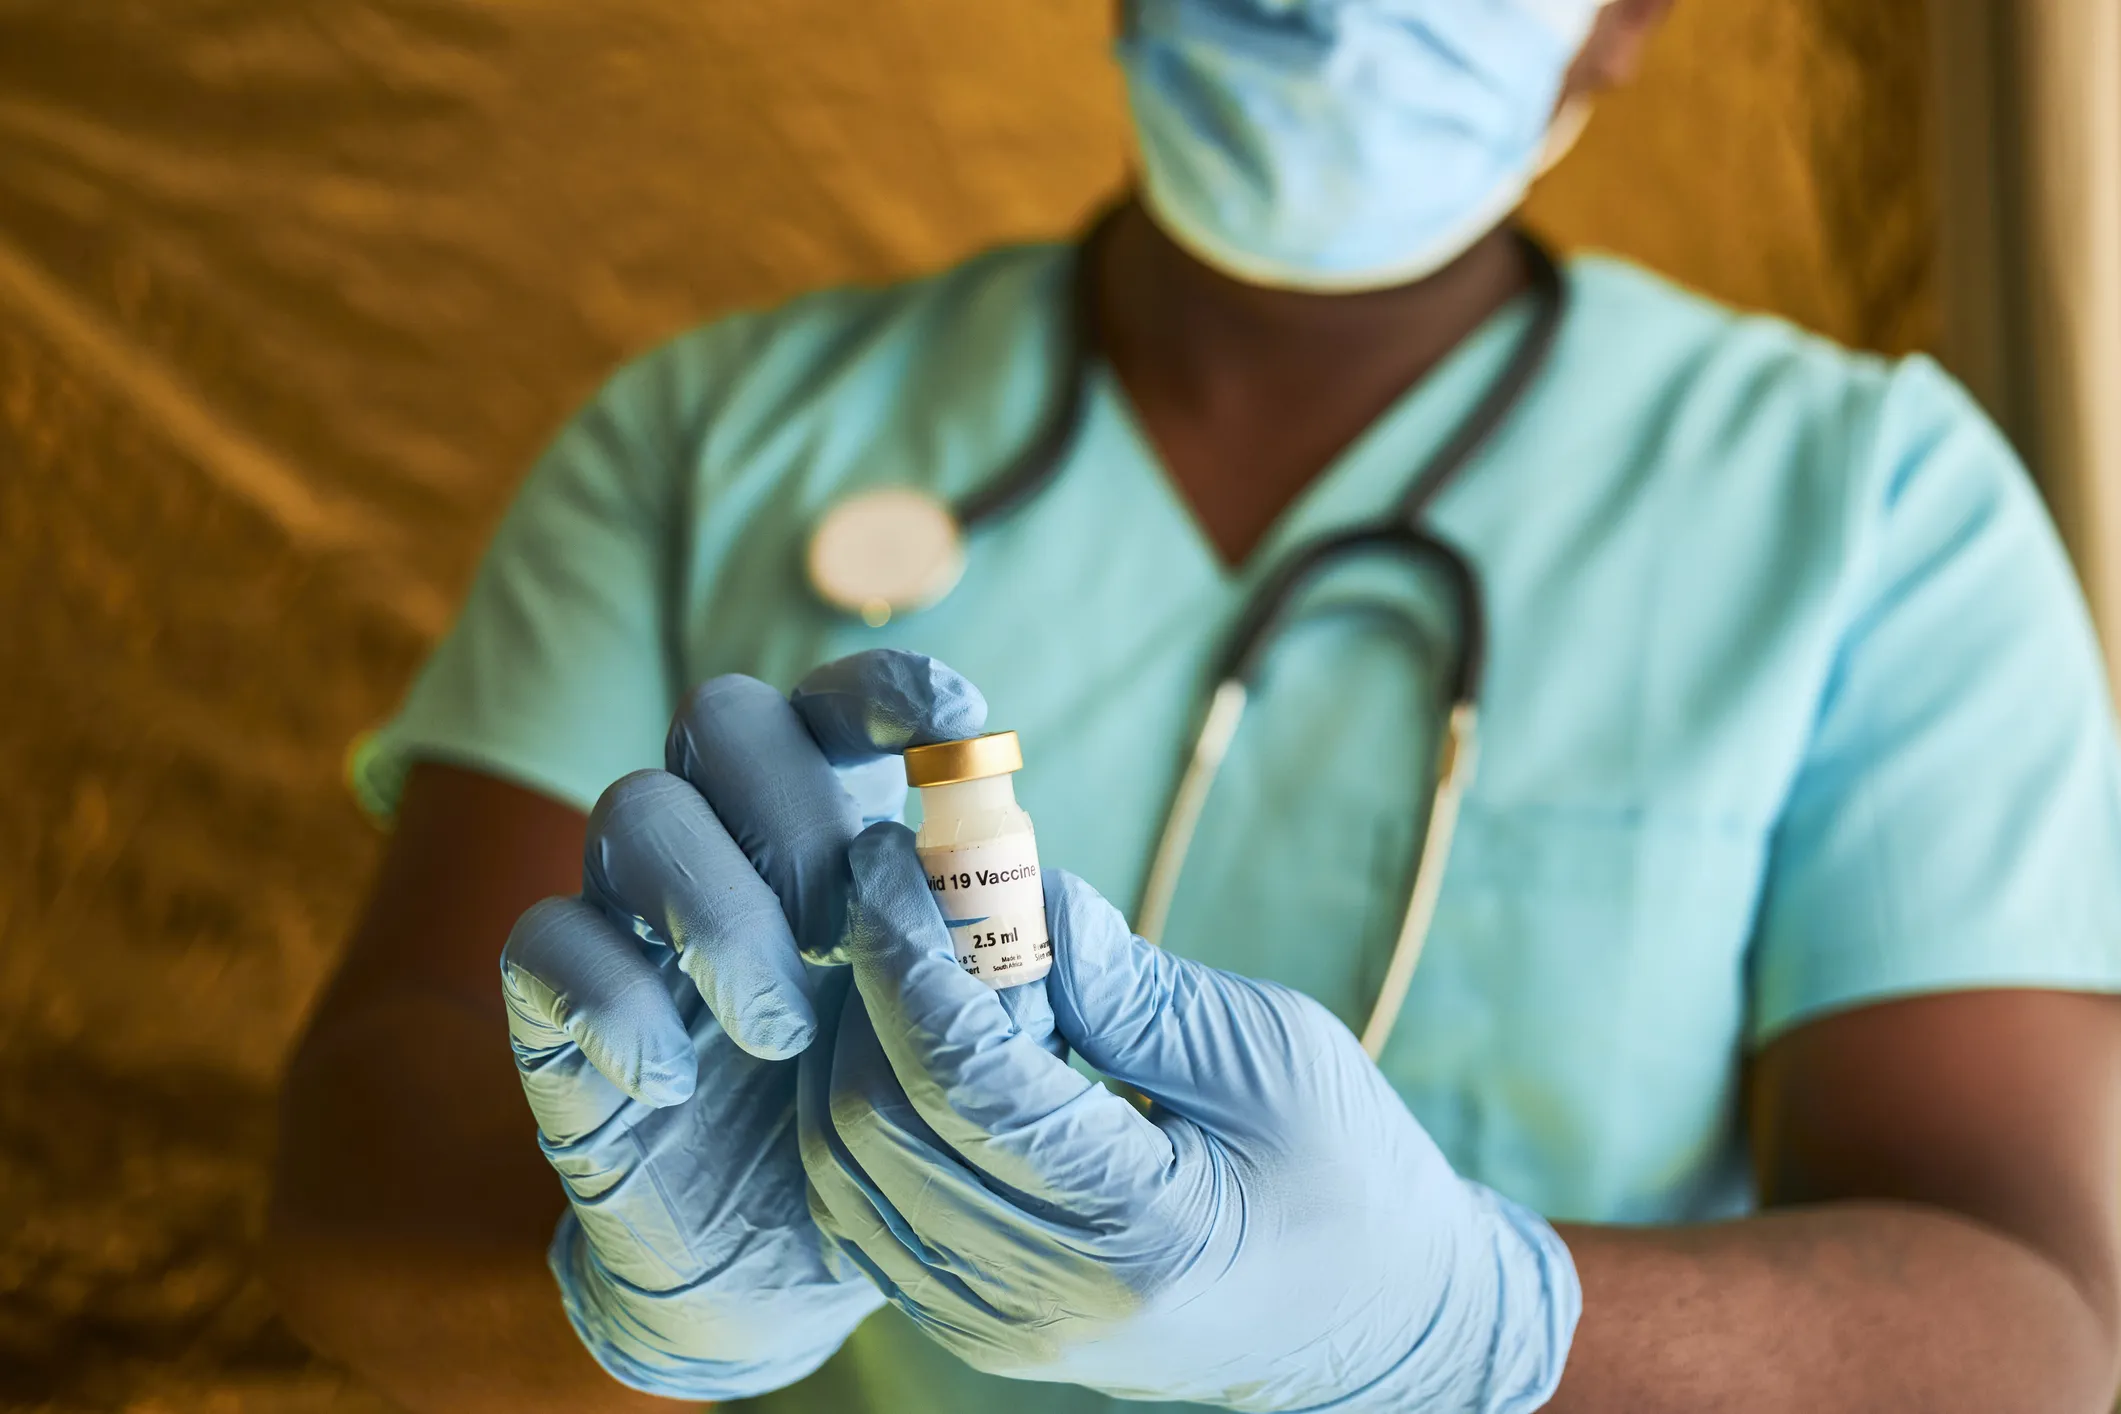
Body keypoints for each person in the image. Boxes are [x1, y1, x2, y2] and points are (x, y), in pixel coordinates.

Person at [266, 0, 2121, 1410]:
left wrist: (1471, 1323)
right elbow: (357, 1182)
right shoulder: (702, 446)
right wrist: (644, 1275)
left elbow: (2041, 1334)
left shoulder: (1869, 511)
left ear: (1635, 15)